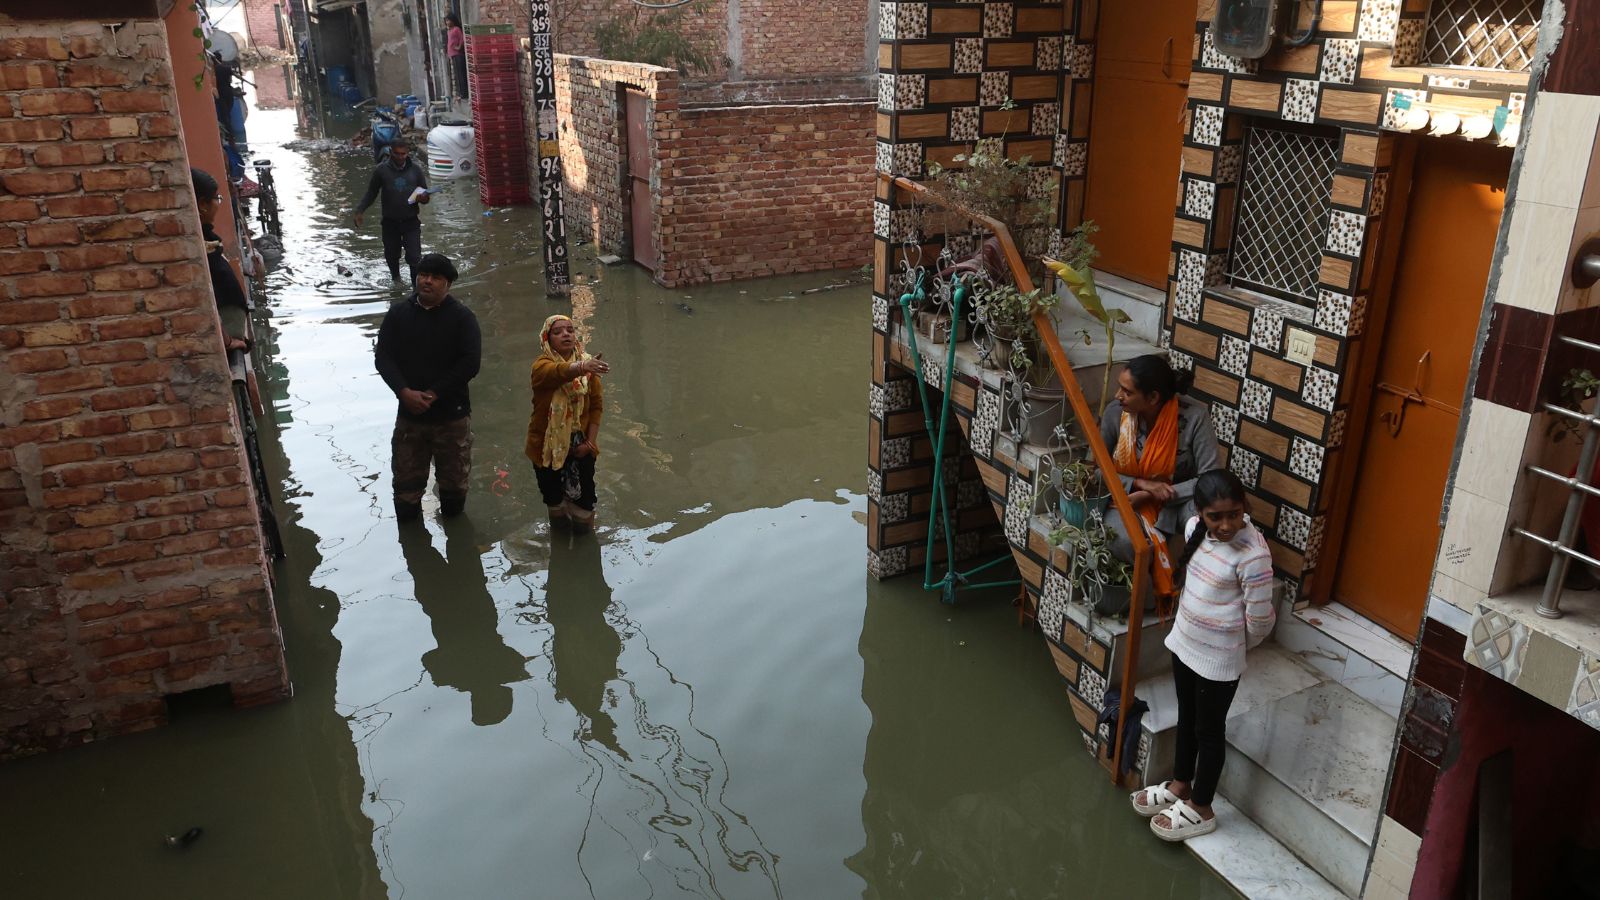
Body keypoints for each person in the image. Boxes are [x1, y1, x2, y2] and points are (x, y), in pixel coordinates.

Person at [1131, 469, 1275, 840]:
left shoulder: (1253, 555)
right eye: (1216, 516)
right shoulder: (1195, 525)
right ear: (1200, 511)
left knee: (1209, 731)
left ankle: (1202, 805)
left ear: (1244, 508)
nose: (1226, 524)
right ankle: (1180, 783)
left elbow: (1260, 620)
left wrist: (1235, 647)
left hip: (1218, 661)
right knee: (1188, 717)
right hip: (1185, 646)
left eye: (1234, 513)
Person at [1097, 354, 1222, 609]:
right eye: (1120, 387)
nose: (1117, 395)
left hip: (1177, 501)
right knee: (1125, 541)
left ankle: (1198, 600)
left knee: (1208, 526)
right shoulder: (1115, 413)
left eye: (1127, 391)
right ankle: (1151, 599)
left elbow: (1211, 479)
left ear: (1153, 398)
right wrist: (1139, 485)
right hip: (1125, 498)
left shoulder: (1195, 417)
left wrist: (1161, 493)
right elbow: (1097, 467)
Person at [375, 253, 481, 522]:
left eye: (436, 278)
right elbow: (383, 357)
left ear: (448, 284)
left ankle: (457, 544)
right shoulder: (398, 314)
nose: (428, 281)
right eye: (424, 275)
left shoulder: (462, 318)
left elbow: (470, 363)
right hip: (410, 419)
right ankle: (412, 548)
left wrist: (434, 393)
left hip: (452, 417)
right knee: (406, 490)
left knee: (454, 488)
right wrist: (403, 392)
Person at [525, 315, 609, 532]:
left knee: (585, 508)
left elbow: (596, 407)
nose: (566, 334)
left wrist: (589, 443)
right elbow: (557, 372)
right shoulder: (541, 367)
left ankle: (585, 551)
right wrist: (582, 366)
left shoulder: (590, 367)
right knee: (555, 505)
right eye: (558, 331)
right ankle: (561, 550)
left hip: (581, 445)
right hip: (547, 447)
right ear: (547, 338)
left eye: (570, 330)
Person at [353, 137, 430, 285]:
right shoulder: (381, 170)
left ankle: (415, 288)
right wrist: (360, 211)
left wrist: (423, 198)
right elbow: (371, 193)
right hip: (389, 222)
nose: (400, 157)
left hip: (411, 222)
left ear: (408, 153)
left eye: (403, 154)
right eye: (397, 154)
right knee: (391, 255)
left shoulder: (416, 170)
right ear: (390, 152)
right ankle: (396, 281)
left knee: (414, 257)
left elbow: (426, 197)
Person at [445, 13, 468, 101]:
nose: (447, 22)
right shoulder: (450, 30)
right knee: (457, 75)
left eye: (448, 20)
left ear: (453, 20)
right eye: (446, 21)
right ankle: (460, 93)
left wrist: (459, 47)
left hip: (458, 54)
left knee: (461, 75)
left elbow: (462, 39)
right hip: (453, 55)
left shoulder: (456, 29)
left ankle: (464, 93)